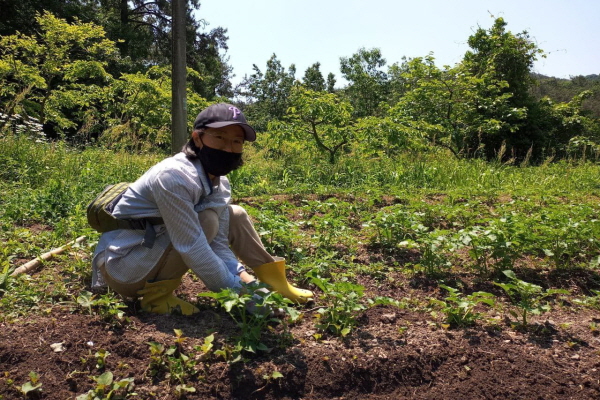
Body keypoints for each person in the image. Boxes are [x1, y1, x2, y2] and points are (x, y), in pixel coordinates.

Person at [91, 103, 313, 315]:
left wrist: (253, 288)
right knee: (206, 222)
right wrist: (240, 296)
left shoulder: (219, 182)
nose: (229, 148)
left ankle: (275, 284)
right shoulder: (173, 177)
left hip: (152, 252)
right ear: (197, 138)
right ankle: (156, 299)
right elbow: (192, 246)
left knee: (235, 214)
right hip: (125, 268)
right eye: (219, 138)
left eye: (237, 141)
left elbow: (218, 245)